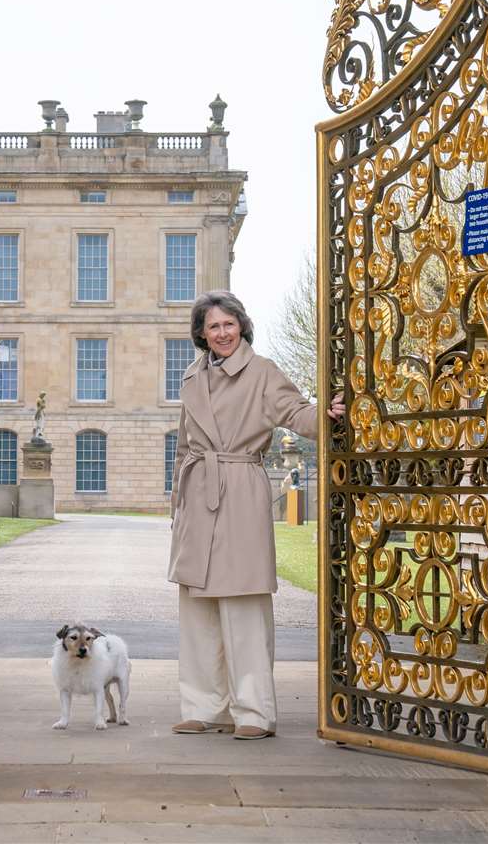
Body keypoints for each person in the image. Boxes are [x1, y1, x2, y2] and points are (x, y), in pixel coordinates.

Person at [167, 290, 345, 740]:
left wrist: (325, 413)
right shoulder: (191, 377)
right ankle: (203, 705)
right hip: (197, 493)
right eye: (213, 327)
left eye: (229, 324)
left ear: (242, 326)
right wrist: (178, 506)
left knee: (244, 607)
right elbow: (184, 448)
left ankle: (253, 712)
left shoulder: (262, 371)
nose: (222, 333)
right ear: (201, 334)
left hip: (240, 491)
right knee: (198, 611)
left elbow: (296, 412)